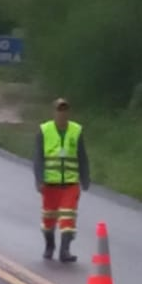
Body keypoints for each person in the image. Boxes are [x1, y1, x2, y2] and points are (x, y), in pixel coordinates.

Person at [33, 98, 90, 262]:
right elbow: (38, 158)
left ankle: (65, 251)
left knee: (68, 217)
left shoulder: (76, 130)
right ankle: (49, 245)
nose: (62, 114)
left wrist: (85, 178)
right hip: (50, 184)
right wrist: (39, 180)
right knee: (49, 219)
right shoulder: (44, 131)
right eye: (59, 110)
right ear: (54, 112)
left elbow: (82, 156)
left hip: (70, 184)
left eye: (65, 110)